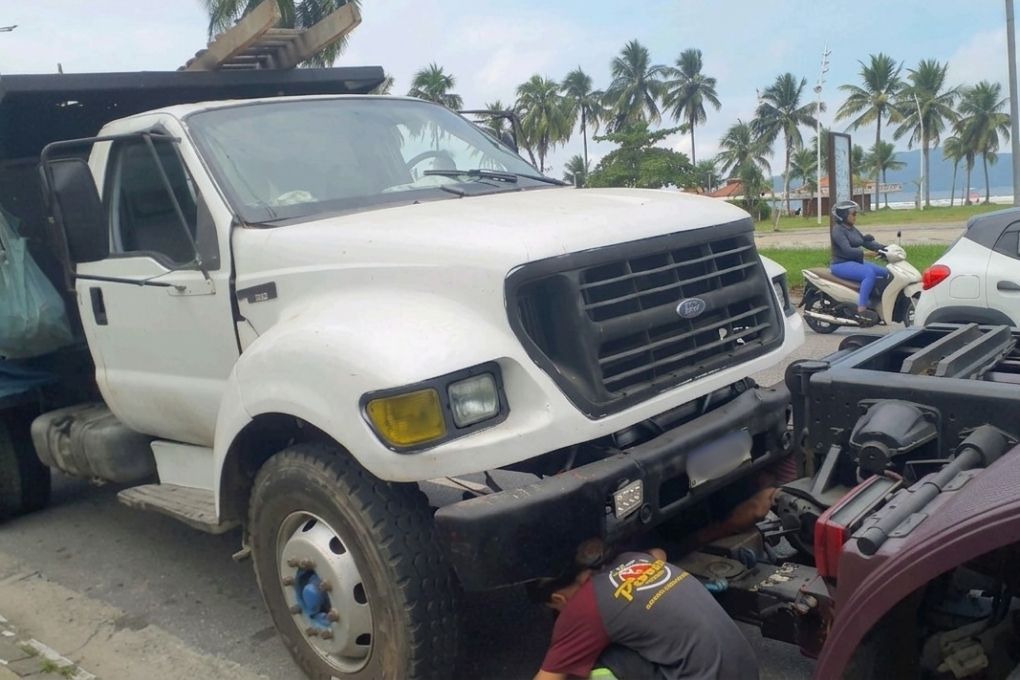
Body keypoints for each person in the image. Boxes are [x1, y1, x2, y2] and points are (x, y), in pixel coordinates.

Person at [529, 546, 760, 680]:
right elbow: (659, 553)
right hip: (747, 670)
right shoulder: (632, 559)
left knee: (595, 667)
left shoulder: (582, 607)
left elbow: (548, 677)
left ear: (558, 598)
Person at [829, 200, 888, 321]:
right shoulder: (837, 230)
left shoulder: (852, 229)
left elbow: (865, 242)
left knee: (886, 272)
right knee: (869, 273)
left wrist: (885, 248)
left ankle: (877, 301)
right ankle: (862, 308)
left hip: (855, 262)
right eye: (853, 214)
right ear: (844, 215)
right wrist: (866, 254)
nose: (855, 216)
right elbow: (847, 250)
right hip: (841, 264)